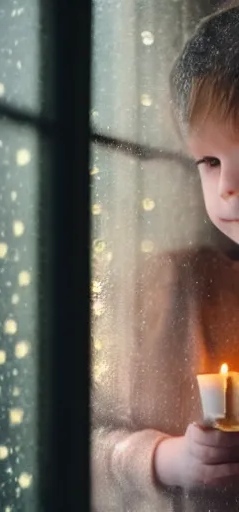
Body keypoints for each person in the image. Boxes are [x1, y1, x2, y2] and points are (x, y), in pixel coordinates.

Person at [92, 4, 239, 511]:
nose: (228, 188)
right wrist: (165, 458)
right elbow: (72, 438)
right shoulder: (167, 288)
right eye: (210, 161)